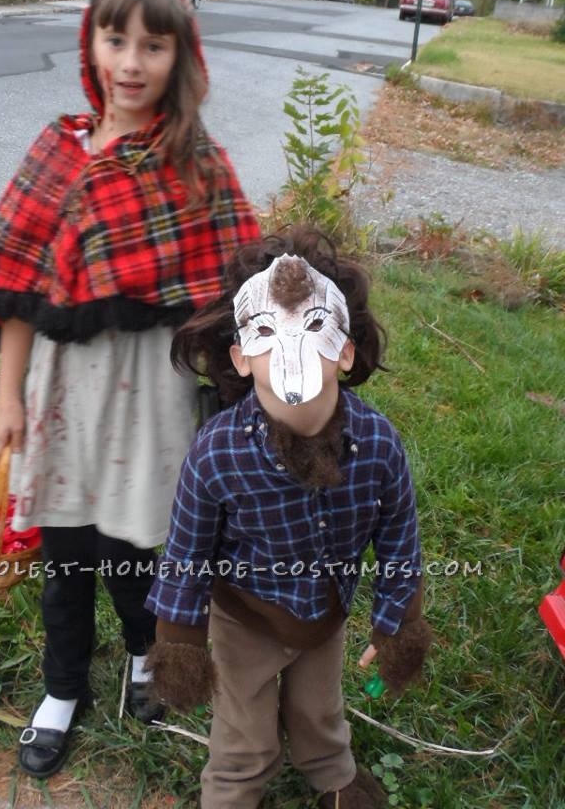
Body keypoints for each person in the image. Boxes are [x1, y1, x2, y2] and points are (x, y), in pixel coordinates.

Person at [0, 0, 261, 780]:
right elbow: (11, 288)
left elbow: (238, 285)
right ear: (91, 45)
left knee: (135, 544)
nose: (131, 62)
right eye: (115, 41)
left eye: (152, 46)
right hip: (61, 390)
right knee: (66, 548)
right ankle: (59, 690)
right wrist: (7, 396)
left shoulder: (197, 162)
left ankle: (142, 658)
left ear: (179, 56)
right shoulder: (59, 152)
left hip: (150, 393)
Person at [144, 228, 433, 809]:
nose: (289, 351)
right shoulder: (216, 452)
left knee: (319, 711)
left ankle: (332, 775)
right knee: (243, 732)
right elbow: (187, 552)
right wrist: (179, 641)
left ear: (344, 351)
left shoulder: (378, 443)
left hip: (326, 611)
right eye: (268, 333)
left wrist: (399, 619)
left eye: (314, 328)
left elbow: (399, 536)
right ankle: (231, 790)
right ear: (241, 357)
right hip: (245, 614)